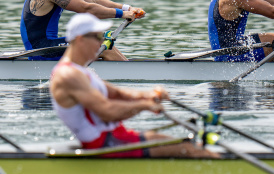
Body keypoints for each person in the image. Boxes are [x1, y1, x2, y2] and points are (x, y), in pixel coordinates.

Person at [50, 13, 218, 159]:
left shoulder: (80, 71)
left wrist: (149, 95)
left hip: (115, 137)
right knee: (190, 149)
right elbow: (107, 112)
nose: (101, 42)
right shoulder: (68, 75)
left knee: (191, 145)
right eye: (97, 37)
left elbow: (117, 93)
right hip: (105, 144)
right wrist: (144, 105)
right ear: (80, 39)